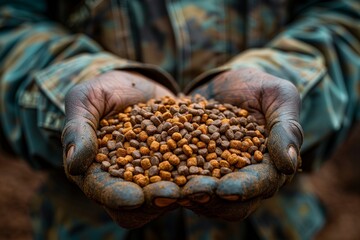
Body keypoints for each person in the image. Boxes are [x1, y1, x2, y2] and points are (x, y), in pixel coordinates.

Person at [0, 0, 359, 239]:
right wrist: (70, 88)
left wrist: (287, 82)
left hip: (270, 225)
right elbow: (9, 25)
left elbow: (346, 19)